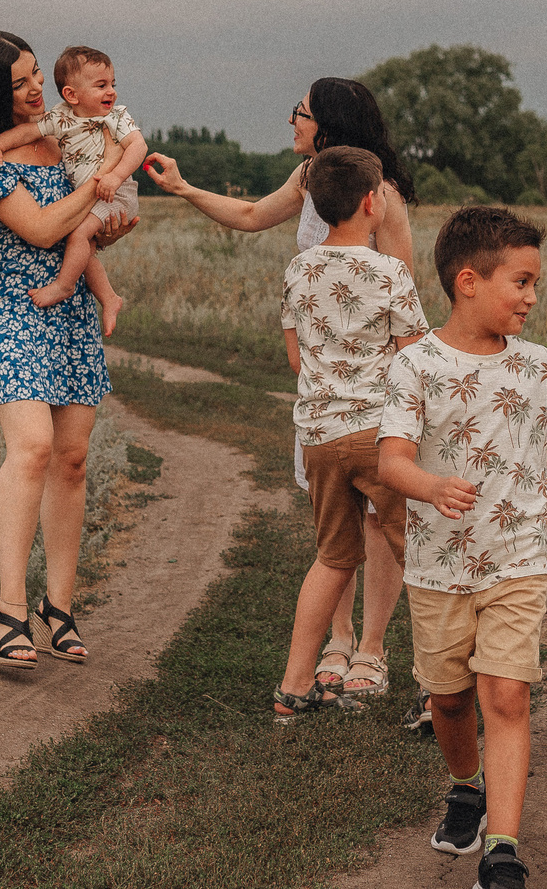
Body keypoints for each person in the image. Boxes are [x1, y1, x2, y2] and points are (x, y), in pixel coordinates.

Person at [378, 206, 547, 889]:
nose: (532, 296)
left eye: (535, 283)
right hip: (436, 568)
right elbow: (391, 457)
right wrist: (429, 484)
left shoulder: (535, 364)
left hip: (517, 561)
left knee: (507, 696)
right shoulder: (416, 364)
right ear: (467, 282)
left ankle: (504, 854)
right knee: (450, 697)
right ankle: (465, 783)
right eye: (521, 281)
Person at [145, 78, 418, 712]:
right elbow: (246, 216)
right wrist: (184, 189)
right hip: (327, 401)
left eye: (299, 113)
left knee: (378, 524)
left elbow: (404, 294)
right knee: (335, 524)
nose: (291, 121)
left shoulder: (384, 197)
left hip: (367, 402)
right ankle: (337, 641)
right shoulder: (308, 181)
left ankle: (372, 650)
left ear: (327, 123)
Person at [0, 31, 132, 672]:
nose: (35, 88)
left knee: (72, 460)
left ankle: (60, 610)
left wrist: (111, 224)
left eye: (35, 76)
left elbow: (80, 233)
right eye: (21, 80)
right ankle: (9, 612)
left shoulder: (59, 133)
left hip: (69, 308)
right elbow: (45, 227)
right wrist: (100, 188)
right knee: (32, 449)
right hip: (11, 310)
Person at [271, 146, 428, 723]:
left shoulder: (298, 268)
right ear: (371, 202)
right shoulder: (390, 272)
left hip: (318, 438)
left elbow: (295, 357)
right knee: (417, 551)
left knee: (333, 557)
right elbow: (415, 359)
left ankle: (293, 686)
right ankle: (437, 684)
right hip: (378, 434)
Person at [0, 44, 150, 335]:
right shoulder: (61, 120)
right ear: (71, 94)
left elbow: (139, 147)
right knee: (82, 242)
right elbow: (27, 132)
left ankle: (65, 285)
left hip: (116, 191)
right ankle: (108, 297)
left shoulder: (116, 117)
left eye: (36, 72)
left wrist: (114, 174)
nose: (112, 92)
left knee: (81, 235)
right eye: (101, 85)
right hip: (14, 318)